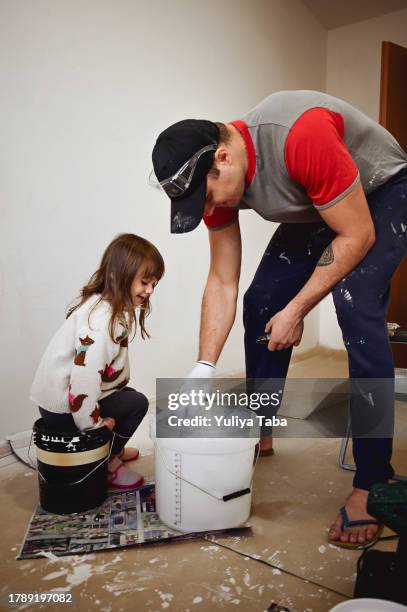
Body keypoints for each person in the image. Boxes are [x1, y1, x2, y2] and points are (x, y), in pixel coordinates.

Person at [151, 90, 407, 548]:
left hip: (383, 190)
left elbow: (358, 232)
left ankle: (372, 481)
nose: (207, 211)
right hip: (321, 202)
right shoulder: (219, 181)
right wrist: (203, 368)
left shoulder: (299, 136)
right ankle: (259, 428)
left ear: (224, 159)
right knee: (261, 302)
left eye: (206, 198)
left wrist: (299, 308)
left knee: (356, 306)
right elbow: (223, 281)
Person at [30, 233, 164, 490]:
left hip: (58, 403)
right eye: (144, 282)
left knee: (128, 395)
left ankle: (112, 448)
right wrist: (94, 428)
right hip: (64, 410)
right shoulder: (102, 323)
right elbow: (84, 379)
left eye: (153, 284)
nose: (149, 291)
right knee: (137, 403)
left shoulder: (106, 305)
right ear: (118, 276)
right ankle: (105, 460)